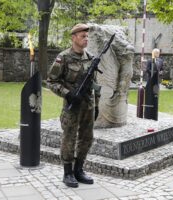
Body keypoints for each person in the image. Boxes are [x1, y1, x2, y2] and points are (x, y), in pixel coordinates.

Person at [47, 23, 100, 188]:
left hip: (88, 105)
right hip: (72, 106)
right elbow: (51, 81)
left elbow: (94, 83)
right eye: (83, 36)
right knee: (69, 138)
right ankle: (68, 172)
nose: (86, 39)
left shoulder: (90, 58)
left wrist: (97, 104)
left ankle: (79, 169)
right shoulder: (63, 58)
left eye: (87, 36)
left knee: (87, 138)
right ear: (74, 38)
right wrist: (67, 94)